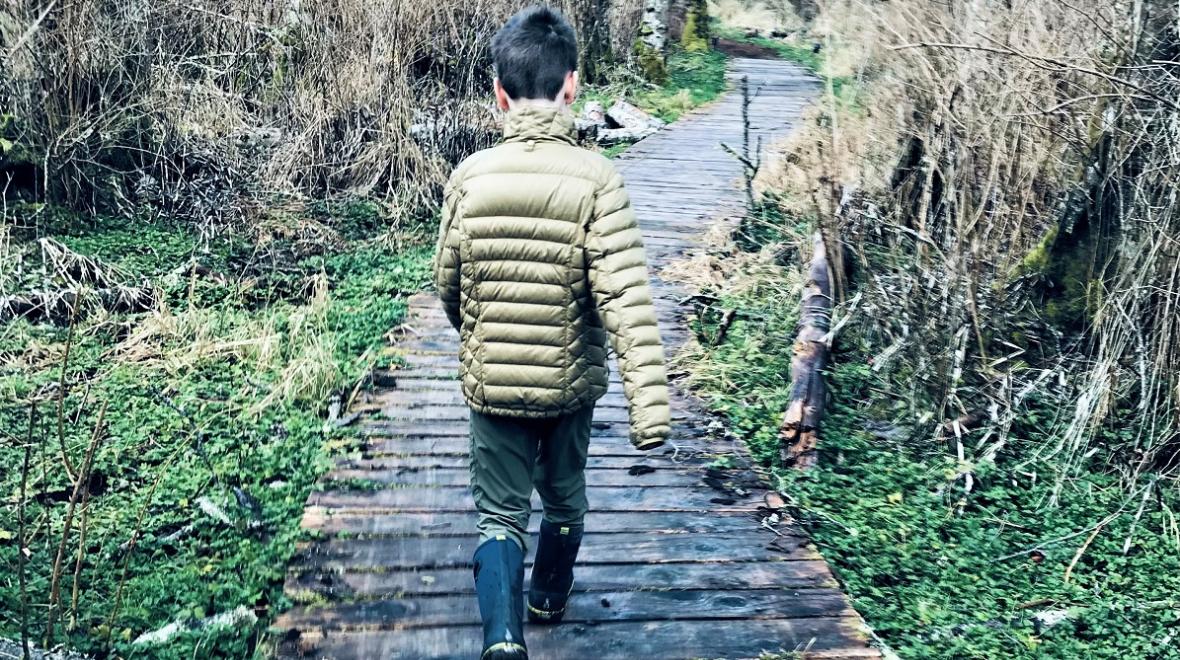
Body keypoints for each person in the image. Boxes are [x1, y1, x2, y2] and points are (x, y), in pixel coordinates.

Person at [432, 5, 671, 659]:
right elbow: (624, 295)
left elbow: (447, 283)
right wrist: (650, 405)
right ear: (573, 87)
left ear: (498, 94)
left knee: (499, 515)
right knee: (565, 499)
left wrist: (478, 333)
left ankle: (504, 640)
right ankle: (548, 597)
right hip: (570, 391)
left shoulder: (470, 177)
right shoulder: (599, 182)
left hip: (495, 389)